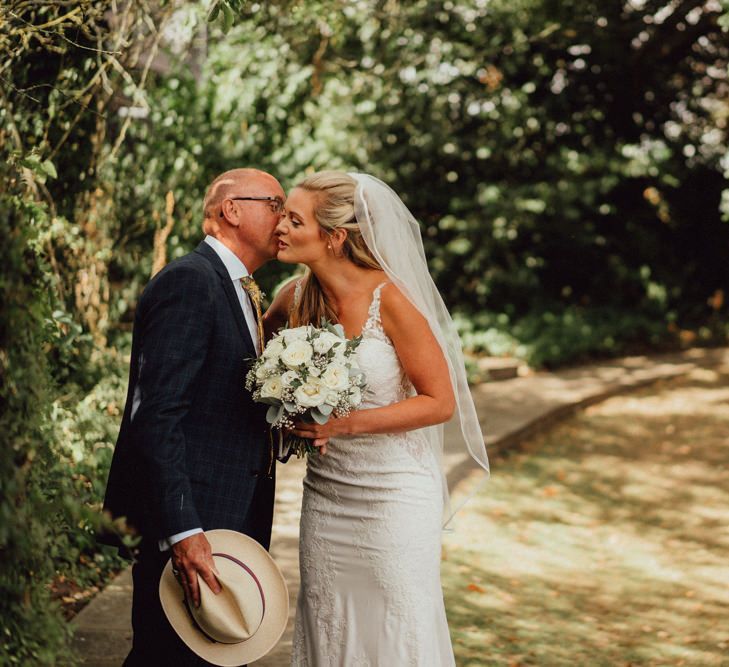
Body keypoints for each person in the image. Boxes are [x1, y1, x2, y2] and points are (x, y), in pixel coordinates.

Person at [264, 171, 490, 666]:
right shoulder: (293, 299)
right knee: (329, 620)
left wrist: (341, 424)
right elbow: (261, 376)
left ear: (334, 236)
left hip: (394, 496)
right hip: (327, 497)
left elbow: (439, 402)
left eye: (294, 219)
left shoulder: (394, 301)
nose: (279, 226)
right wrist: (285, 413)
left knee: (396, 624)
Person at [102, 168, 292, 665]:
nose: (284, 216)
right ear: (231, 210)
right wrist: (183, 531)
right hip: (191, 522)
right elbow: (156, 414)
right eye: (275, 203)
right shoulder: (191, 281)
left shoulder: (243, 290)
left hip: (231, 515)